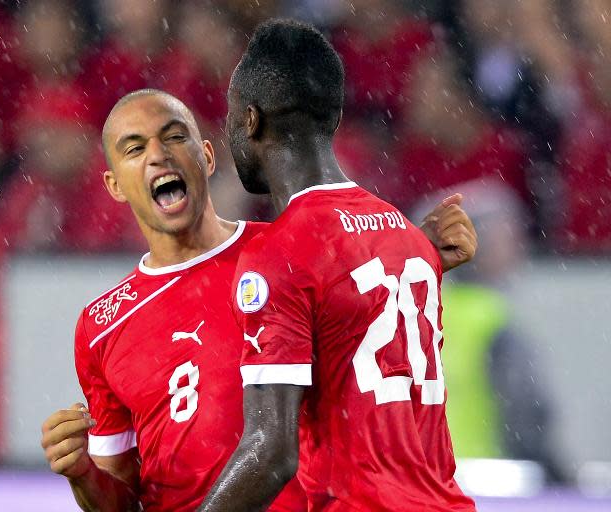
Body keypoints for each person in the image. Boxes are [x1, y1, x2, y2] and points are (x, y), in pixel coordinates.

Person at [40, 89, 477, 511]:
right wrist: (81, 473)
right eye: (135, 148)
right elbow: (121, 497)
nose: (159, 154)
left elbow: (370, 316)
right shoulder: (102, 325)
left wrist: (414, 250)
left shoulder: (283, 256)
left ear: (207, 157)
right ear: (115, 185)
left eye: (174, 137)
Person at [198, 19, 477, 511]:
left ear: (250, 120)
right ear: (335, 115)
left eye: (229, 114)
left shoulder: (280, 253)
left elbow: (271, 452)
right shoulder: (404, 234)